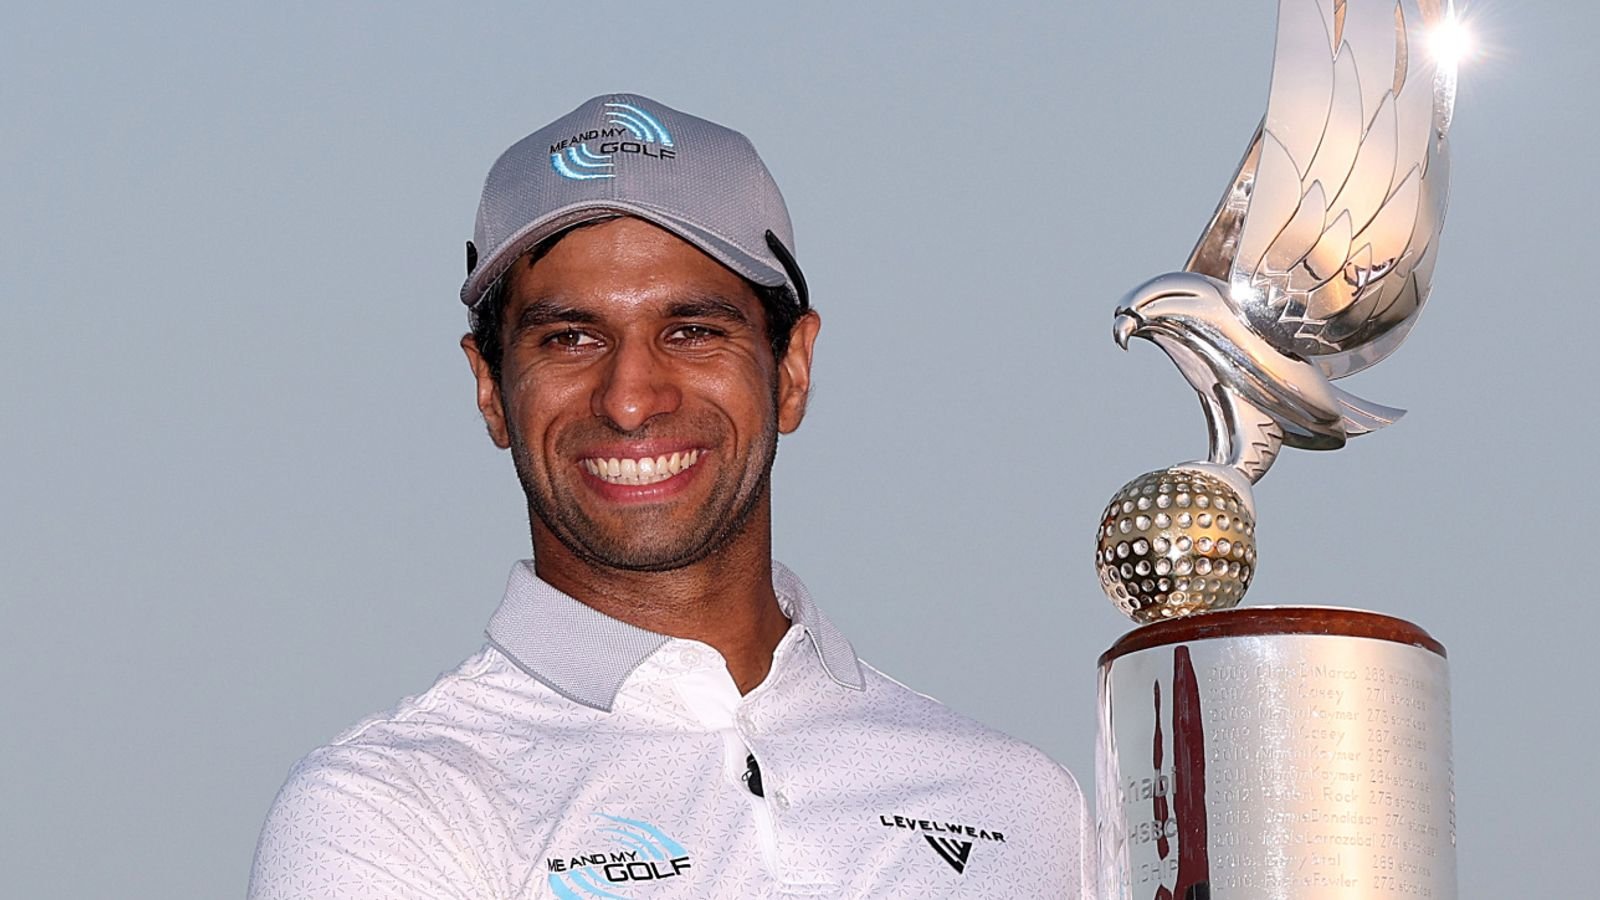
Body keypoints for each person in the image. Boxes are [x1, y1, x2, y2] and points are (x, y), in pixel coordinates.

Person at [248, 93, 1091, 898]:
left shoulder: (1021, 803)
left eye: (691, 332)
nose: (629, 398)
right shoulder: (386, 809)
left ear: (791, 370)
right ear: (491, 389)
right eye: (570, 338)